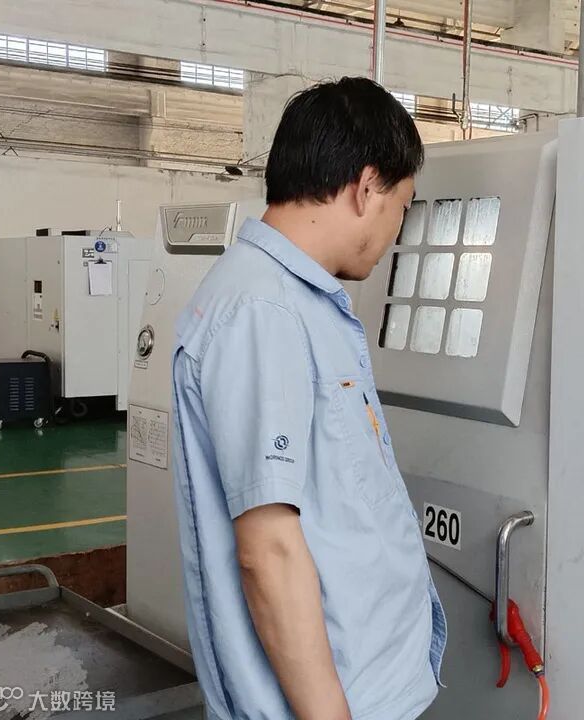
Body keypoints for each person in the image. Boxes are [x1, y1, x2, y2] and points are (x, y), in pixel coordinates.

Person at [170, 78, 446, 720]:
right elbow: (268, 550)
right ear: (366, 187)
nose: (395, 231)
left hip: (366, 684)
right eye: (401, 207)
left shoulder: (295, 300)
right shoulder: (262, 310)